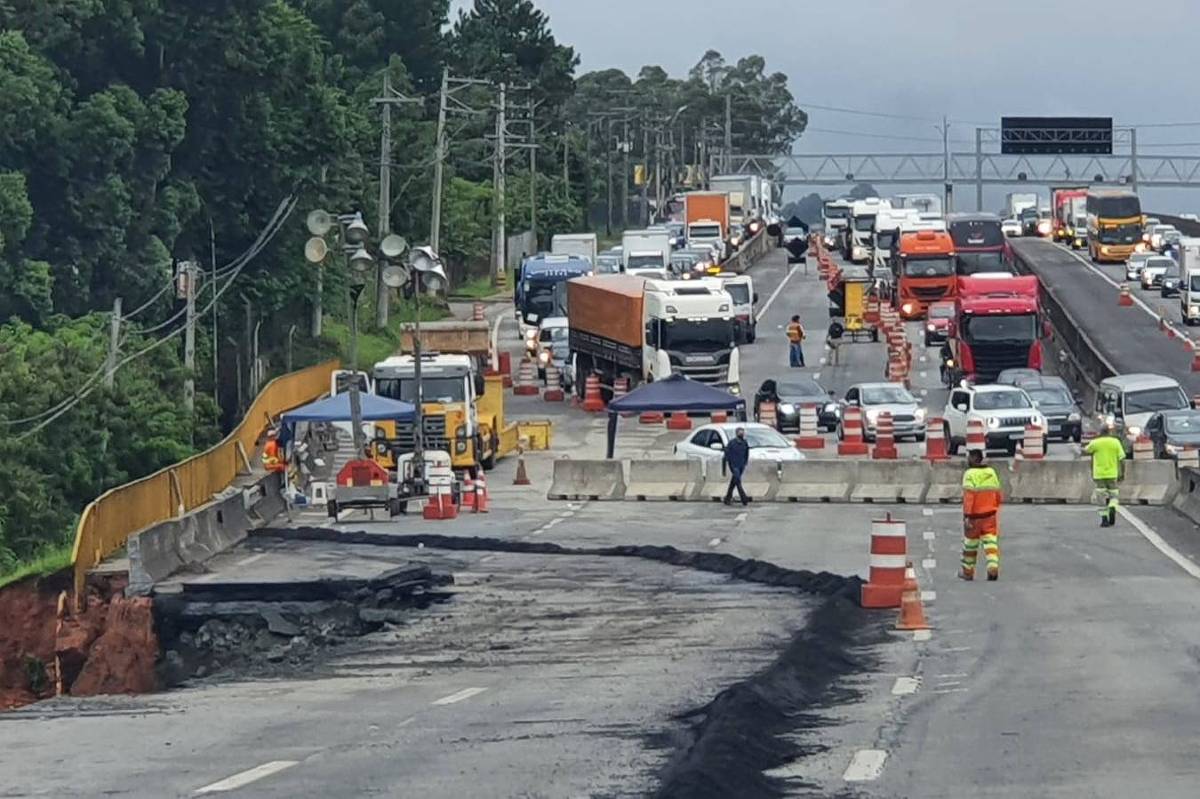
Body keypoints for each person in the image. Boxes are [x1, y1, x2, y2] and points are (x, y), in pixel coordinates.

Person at [961, 449, 1002, 581]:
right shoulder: (991, 472)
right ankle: (993, 568)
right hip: (990, 515)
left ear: (974, 459)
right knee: (990, 543)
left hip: (974, 517)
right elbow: (997, 493)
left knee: (970, 545)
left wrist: (967, 515)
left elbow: (969, 497)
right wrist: (994, 507)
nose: (967, 460)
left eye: (969, 457)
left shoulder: (969, 474)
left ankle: (968, 572)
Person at [1086, 423, 1126, 527]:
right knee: (1114, 494)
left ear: (1100, 432)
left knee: (1101, 497)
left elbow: (1086, 450)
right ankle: (1112, 506)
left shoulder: (1095, 443)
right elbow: (1122, 459)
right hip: (1112, 474)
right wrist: (1122, 473)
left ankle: (1104, 519)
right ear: (1110, 432)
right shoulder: (1115, 442)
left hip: (1099, 475)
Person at [722, 427, 751, 507]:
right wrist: (728, 465)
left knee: (734, 482)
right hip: (734, 466)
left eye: (743, 432)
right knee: (738, 482)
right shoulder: (731, 443)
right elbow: (726, 455)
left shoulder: (745, 443)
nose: (742, 434)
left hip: (741, 465)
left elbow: (746, 454)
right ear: (736, 433)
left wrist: (745, 463)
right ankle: (744, 498)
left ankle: (727, 498)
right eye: (740, 432)